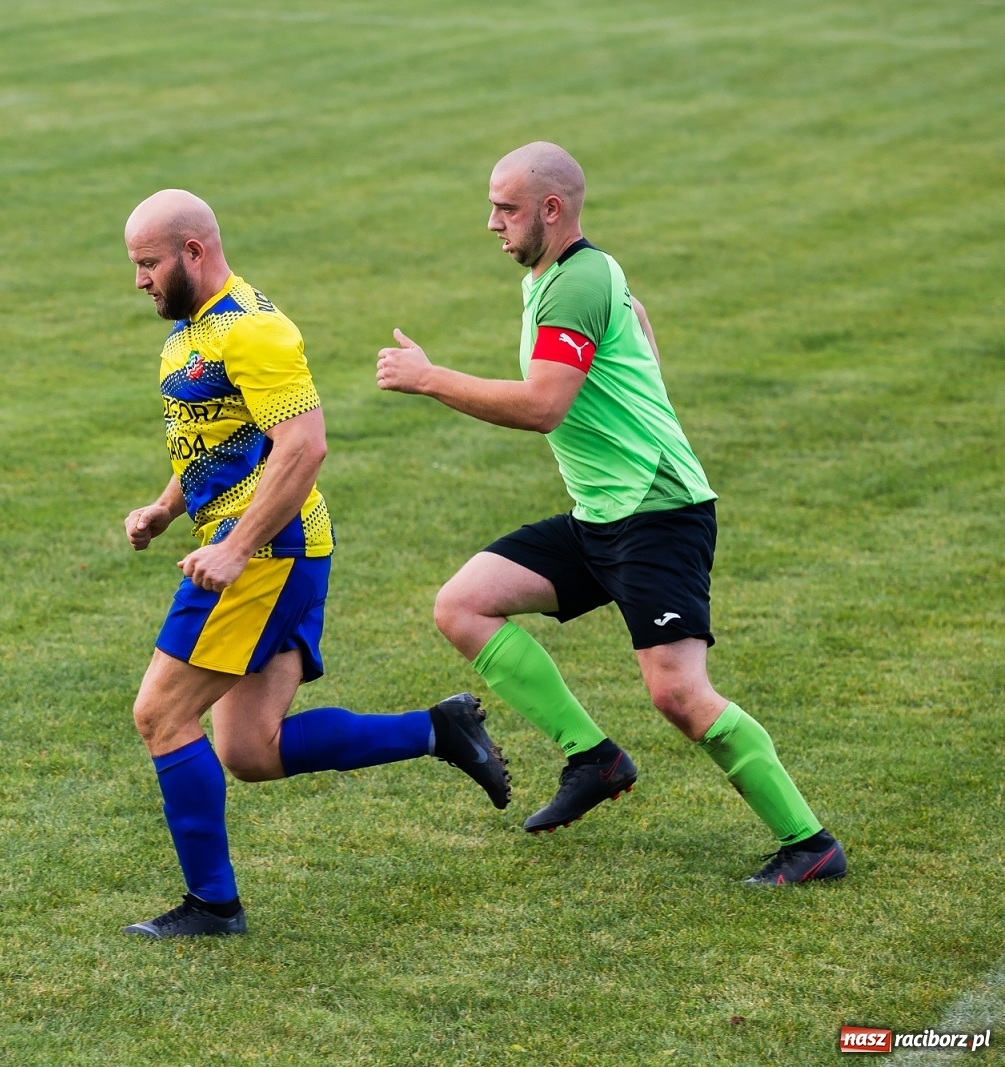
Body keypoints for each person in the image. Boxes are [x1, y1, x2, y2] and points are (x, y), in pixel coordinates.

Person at [374, 143, 845, 886]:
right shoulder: (564, 275)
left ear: (551, 210)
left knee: (679, 693)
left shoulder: (576, 279)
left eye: (506, 208)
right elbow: (638, 326)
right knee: (464, 603)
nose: (491, 222)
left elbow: (542, 404)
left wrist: (432, 379)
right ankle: (593, 758)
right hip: (603, 515)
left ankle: (809, 841)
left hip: (658, 513)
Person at [119, 189, 512, 938]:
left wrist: (235, 547)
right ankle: (440, 729)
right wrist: (167, 507)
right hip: (270, 546)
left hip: (267, 548)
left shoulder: (254, 330)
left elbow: (304, 445)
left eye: (147, 263)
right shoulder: (188, 333)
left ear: (193, 253)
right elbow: (219, 438)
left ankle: (213, 905)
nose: (138, 280)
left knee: (161, 713)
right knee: (250, 749)